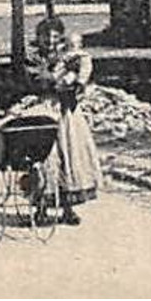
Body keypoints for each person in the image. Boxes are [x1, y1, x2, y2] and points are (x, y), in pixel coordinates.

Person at [47, 32, 102, 224]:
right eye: (68, 42)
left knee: (69, 154)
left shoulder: (82, 60)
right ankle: (41, 206)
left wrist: (71, 83)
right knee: (47, 156)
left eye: (74, 43)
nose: (71, 45)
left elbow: (80, 82)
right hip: (49, 109)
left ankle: (68, 208)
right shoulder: (56, 58)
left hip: (67, 114)